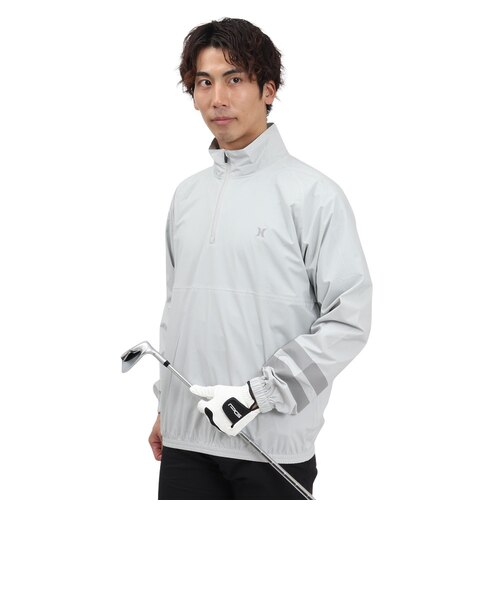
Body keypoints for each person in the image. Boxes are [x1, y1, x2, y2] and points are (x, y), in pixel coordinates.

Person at [149, 17, 373, 499]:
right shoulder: (186, 196)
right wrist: (166, 406)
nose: (217, 99)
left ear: (268, 89)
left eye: (234, 80)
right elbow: (177, 310)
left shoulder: (314, 195)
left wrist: (259, 395)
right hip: (187, 440)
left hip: (269, 447)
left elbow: (349, 320)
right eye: (204, 83)